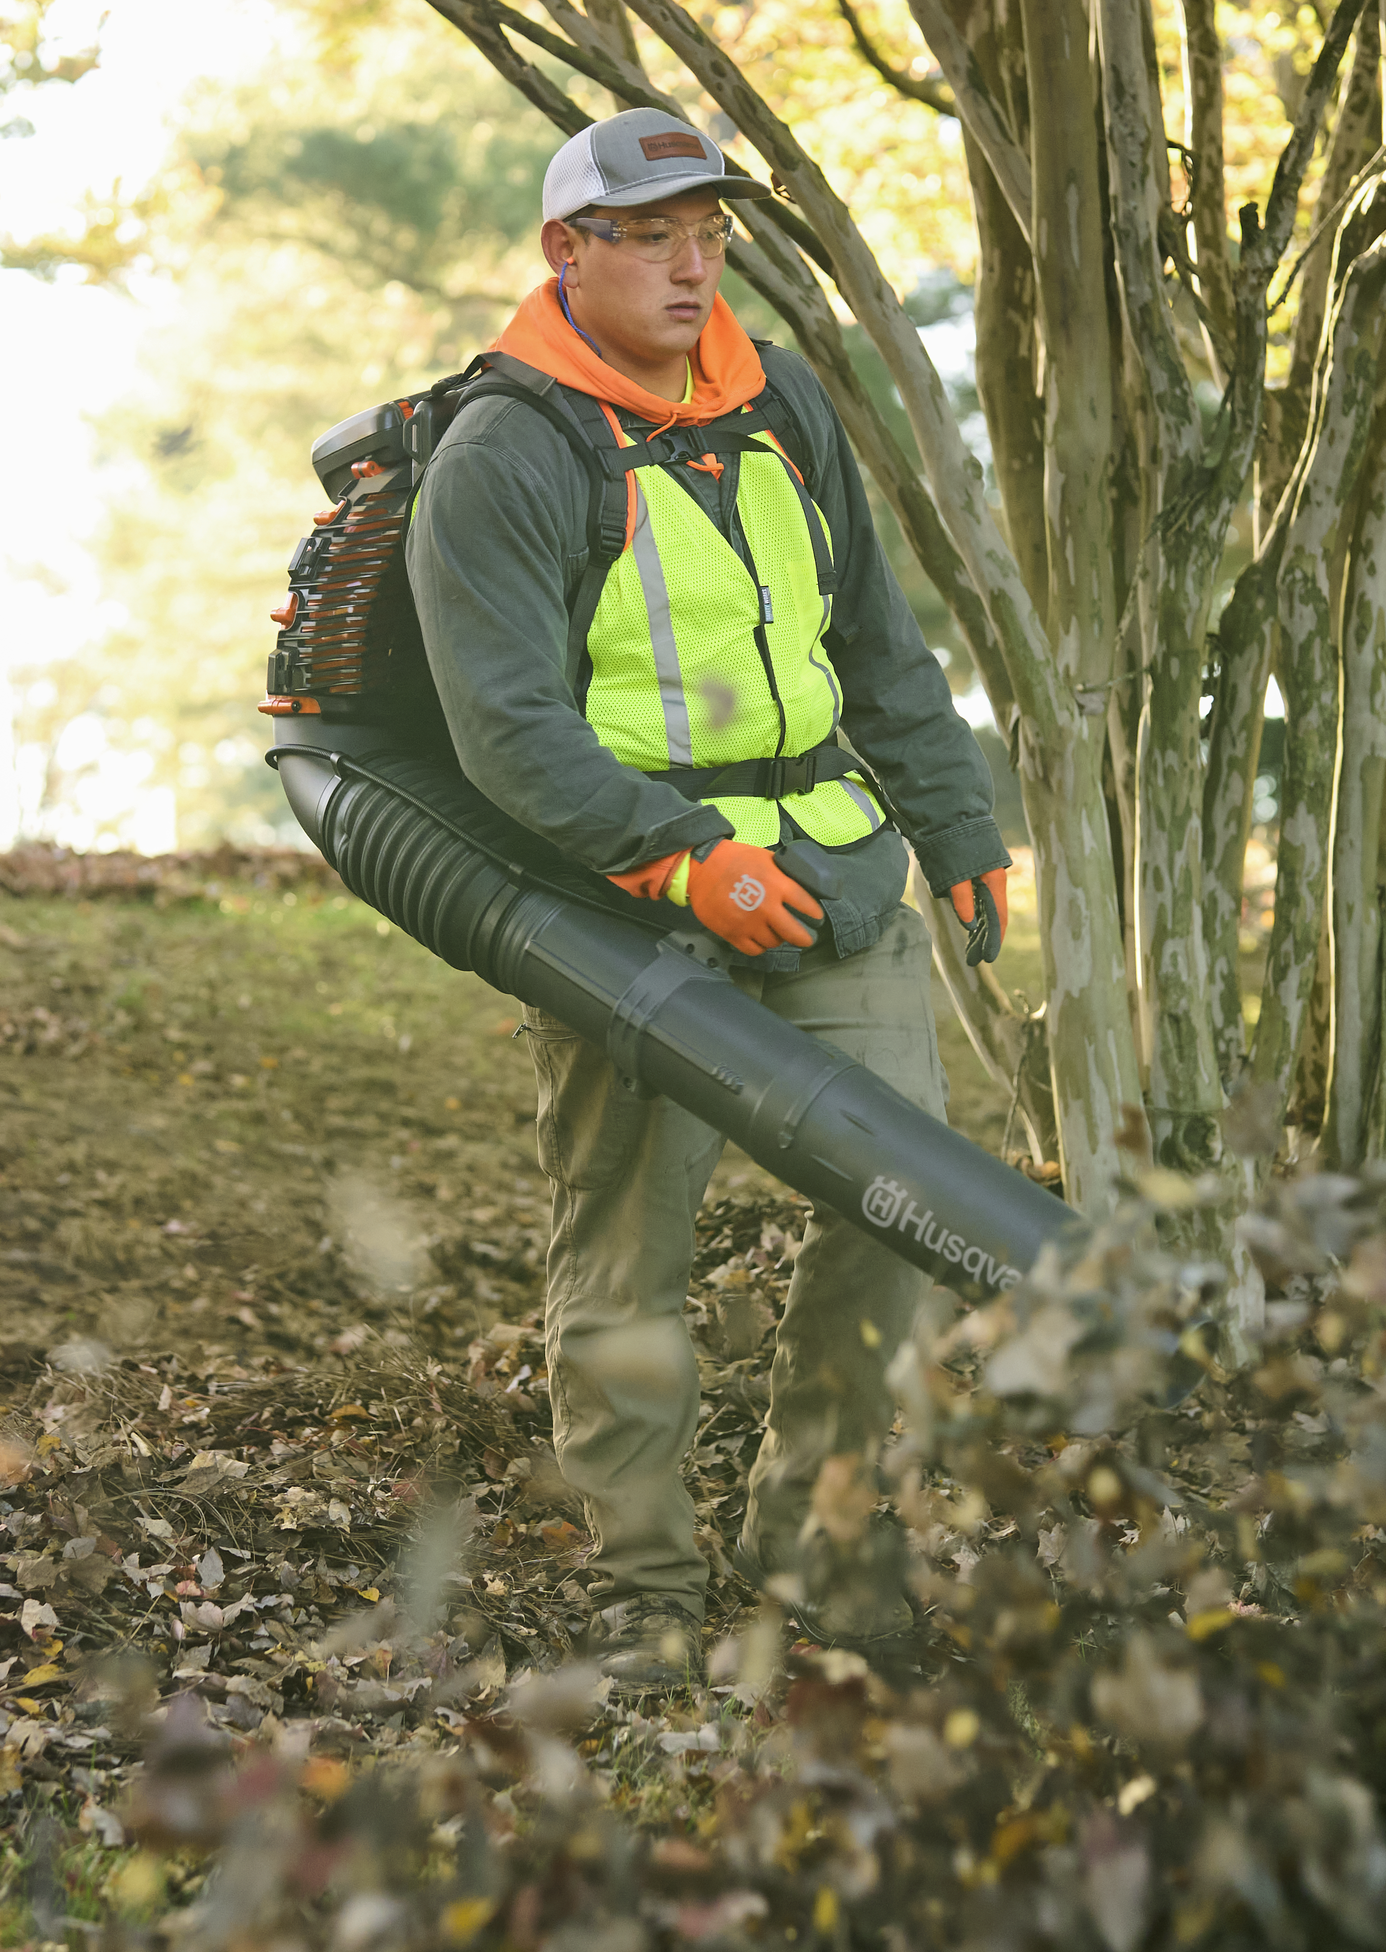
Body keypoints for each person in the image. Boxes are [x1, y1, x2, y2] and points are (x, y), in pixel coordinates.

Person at [407, 106, 1014, 1680]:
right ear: (568, 251)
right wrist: (681, 856)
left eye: (709, 231)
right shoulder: (508, 452)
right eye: (653, 232)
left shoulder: (780, 402)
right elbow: (505, 728)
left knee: (905, 1199)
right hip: (632, 913)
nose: (693, 261)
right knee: (628, 1250)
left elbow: (876, 642)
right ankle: (646, 1592)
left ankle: (815, 1540)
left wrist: (957, 830)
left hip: (826, 869)